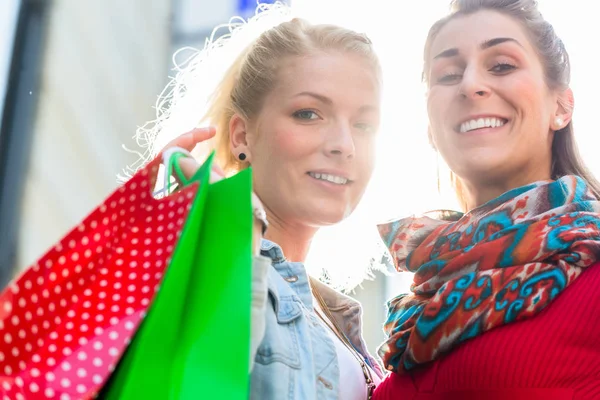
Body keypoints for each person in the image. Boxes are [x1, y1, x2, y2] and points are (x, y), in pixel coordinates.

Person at [148, 6, 384, 400]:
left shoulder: (339, 319)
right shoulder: (205, 262)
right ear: (241, 136)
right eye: (309, 114)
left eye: (364, 124)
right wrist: (225, 231)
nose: (344, 144)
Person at [373, 0, 600, 398]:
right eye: (448, 74)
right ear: (430, 126)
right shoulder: (420, 301)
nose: (470, 84)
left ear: (561, 106)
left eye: (502, 65)